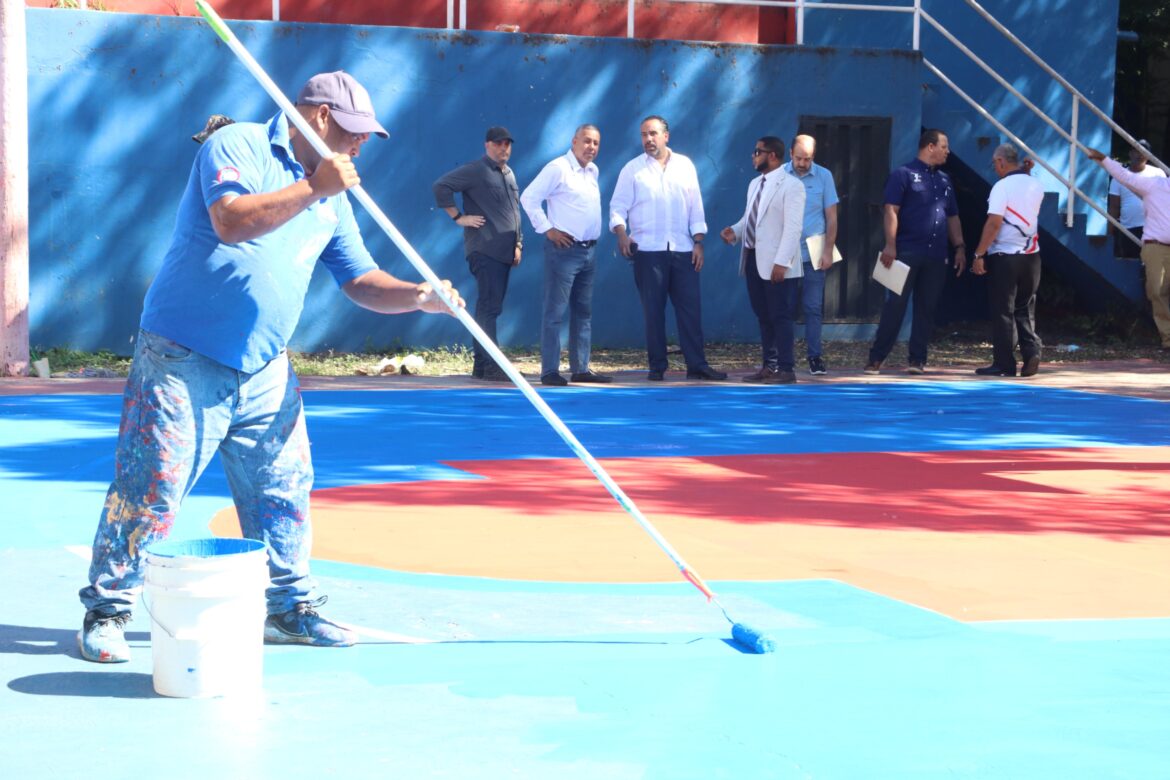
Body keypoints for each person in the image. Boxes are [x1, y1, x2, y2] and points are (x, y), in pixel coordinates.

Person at [77, 71, 465, 664]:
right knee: (152, 487)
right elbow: (230, 220)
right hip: (182, 357)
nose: (361, 142)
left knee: (284, 488)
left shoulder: (333, 193)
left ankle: (288, 608)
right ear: (318, 117)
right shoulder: (237, 146)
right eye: (353, 130)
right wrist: (313, 187)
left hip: (266, 366)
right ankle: (108, 610)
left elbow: (359, 279)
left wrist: (418, 297)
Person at [609, 115, 727, 381]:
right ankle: (657, 366)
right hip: (647, 251)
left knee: (690, 310)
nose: (648, 139)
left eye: (653, 133)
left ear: (666, 136)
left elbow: (696, 207)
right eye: (644, 135)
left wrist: (698, 242)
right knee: (653, 312)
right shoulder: (632, 169)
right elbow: (617, 207)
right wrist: (622, 234)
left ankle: (697, 365)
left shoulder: (685, 165)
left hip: (683, 250)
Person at [865, 129, 967, 375]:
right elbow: (891, 210)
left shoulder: (944, 180)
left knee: (926, 308)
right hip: (906, 251)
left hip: (936, 255)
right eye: (944, 146)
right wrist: (891, 245)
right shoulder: (903, 174)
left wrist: (960, 247)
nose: (947, 151)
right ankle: (876, 358)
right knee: (895, 306)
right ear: (930, 147)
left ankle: (917, 359)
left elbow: (952, 216)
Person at [520, 125, 612, 386]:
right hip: (564, 250)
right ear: (574, 141)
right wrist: (548, 230)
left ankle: (580, 368)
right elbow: (528, 198)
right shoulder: (558, 168)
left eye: (596, 143)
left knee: (583, 312)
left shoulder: (592, 171)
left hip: (589, 251)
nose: (591, 147)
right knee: (555, 312)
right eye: (586, 141)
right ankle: (549, 371)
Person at [433, 126, 524, 381]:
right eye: (498, 143)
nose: (503, 148)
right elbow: (441, 186)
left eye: (507, 144)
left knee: (490, 307)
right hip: (484, 249)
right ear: (487, 145)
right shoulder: (476, 170)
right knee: (489, 307)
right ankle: (492, 365)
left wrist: (518, 243)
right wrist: (459, 217)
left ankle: (482, 367)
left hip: (505, 251)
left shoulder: (509, 174)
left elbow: (515, 212)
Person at [720, 136, 806, 384]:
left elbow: (793, 228)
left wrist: (782, 262)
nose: (753, 156)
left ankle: (786, 369)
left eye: (757, 152)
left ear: (773, 156)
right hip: (753, 258)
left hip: (778, 263)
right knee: (763, 314)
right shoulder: (754, 184)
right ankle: (769, 366)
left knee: (781, 315)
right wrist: (735, 231)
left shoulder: (792, 186)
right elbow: (751, 218)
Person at [970, 143, 1045, 377]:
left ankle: (1004, 363)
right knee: (1025, 307)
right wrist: (1027, 171)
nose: (995, 168)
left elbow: (994, 223)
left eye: (995, 163)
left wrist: (979, 254)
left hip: (1005, 256)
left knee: (1004, 310)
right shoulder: (1035, 184)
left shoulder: (1001, 187)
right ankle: (1032, 352)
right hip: (1032, 257)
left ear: (1001, 162)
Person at [1090, 144, 1170, 349]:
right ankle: (1168, 338)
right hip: (1155, 246)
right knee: (1156, 291)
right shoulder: (1155, 183)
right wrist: (1104, 160)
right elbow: (1125, 176)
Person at [783, 134, 839, 376]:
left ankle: (815, 357)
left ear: (813, 156)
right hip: (786, 253)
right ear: (790, 154)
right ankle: (783, 358)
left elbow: (832, 217)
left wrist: (828, 250)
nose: (802, 163)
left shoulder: (824, 176)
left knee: (813, 307)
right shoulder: (780, 175)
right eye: (798, 158)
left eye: (807, 159)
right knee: (784, 308)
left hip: (814, 252)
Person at [1107, 139, 1165, 259]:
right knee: (1130, 263)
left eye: (1143, 152)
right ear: (1130, 153)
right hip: (1129, 230)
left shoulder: (1158, 174)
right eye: (1136, 151)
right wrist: (1109, 232)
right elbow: (1114, 207)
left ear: (1148, 156)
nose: (1139, 155)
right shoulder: (1119, 177)